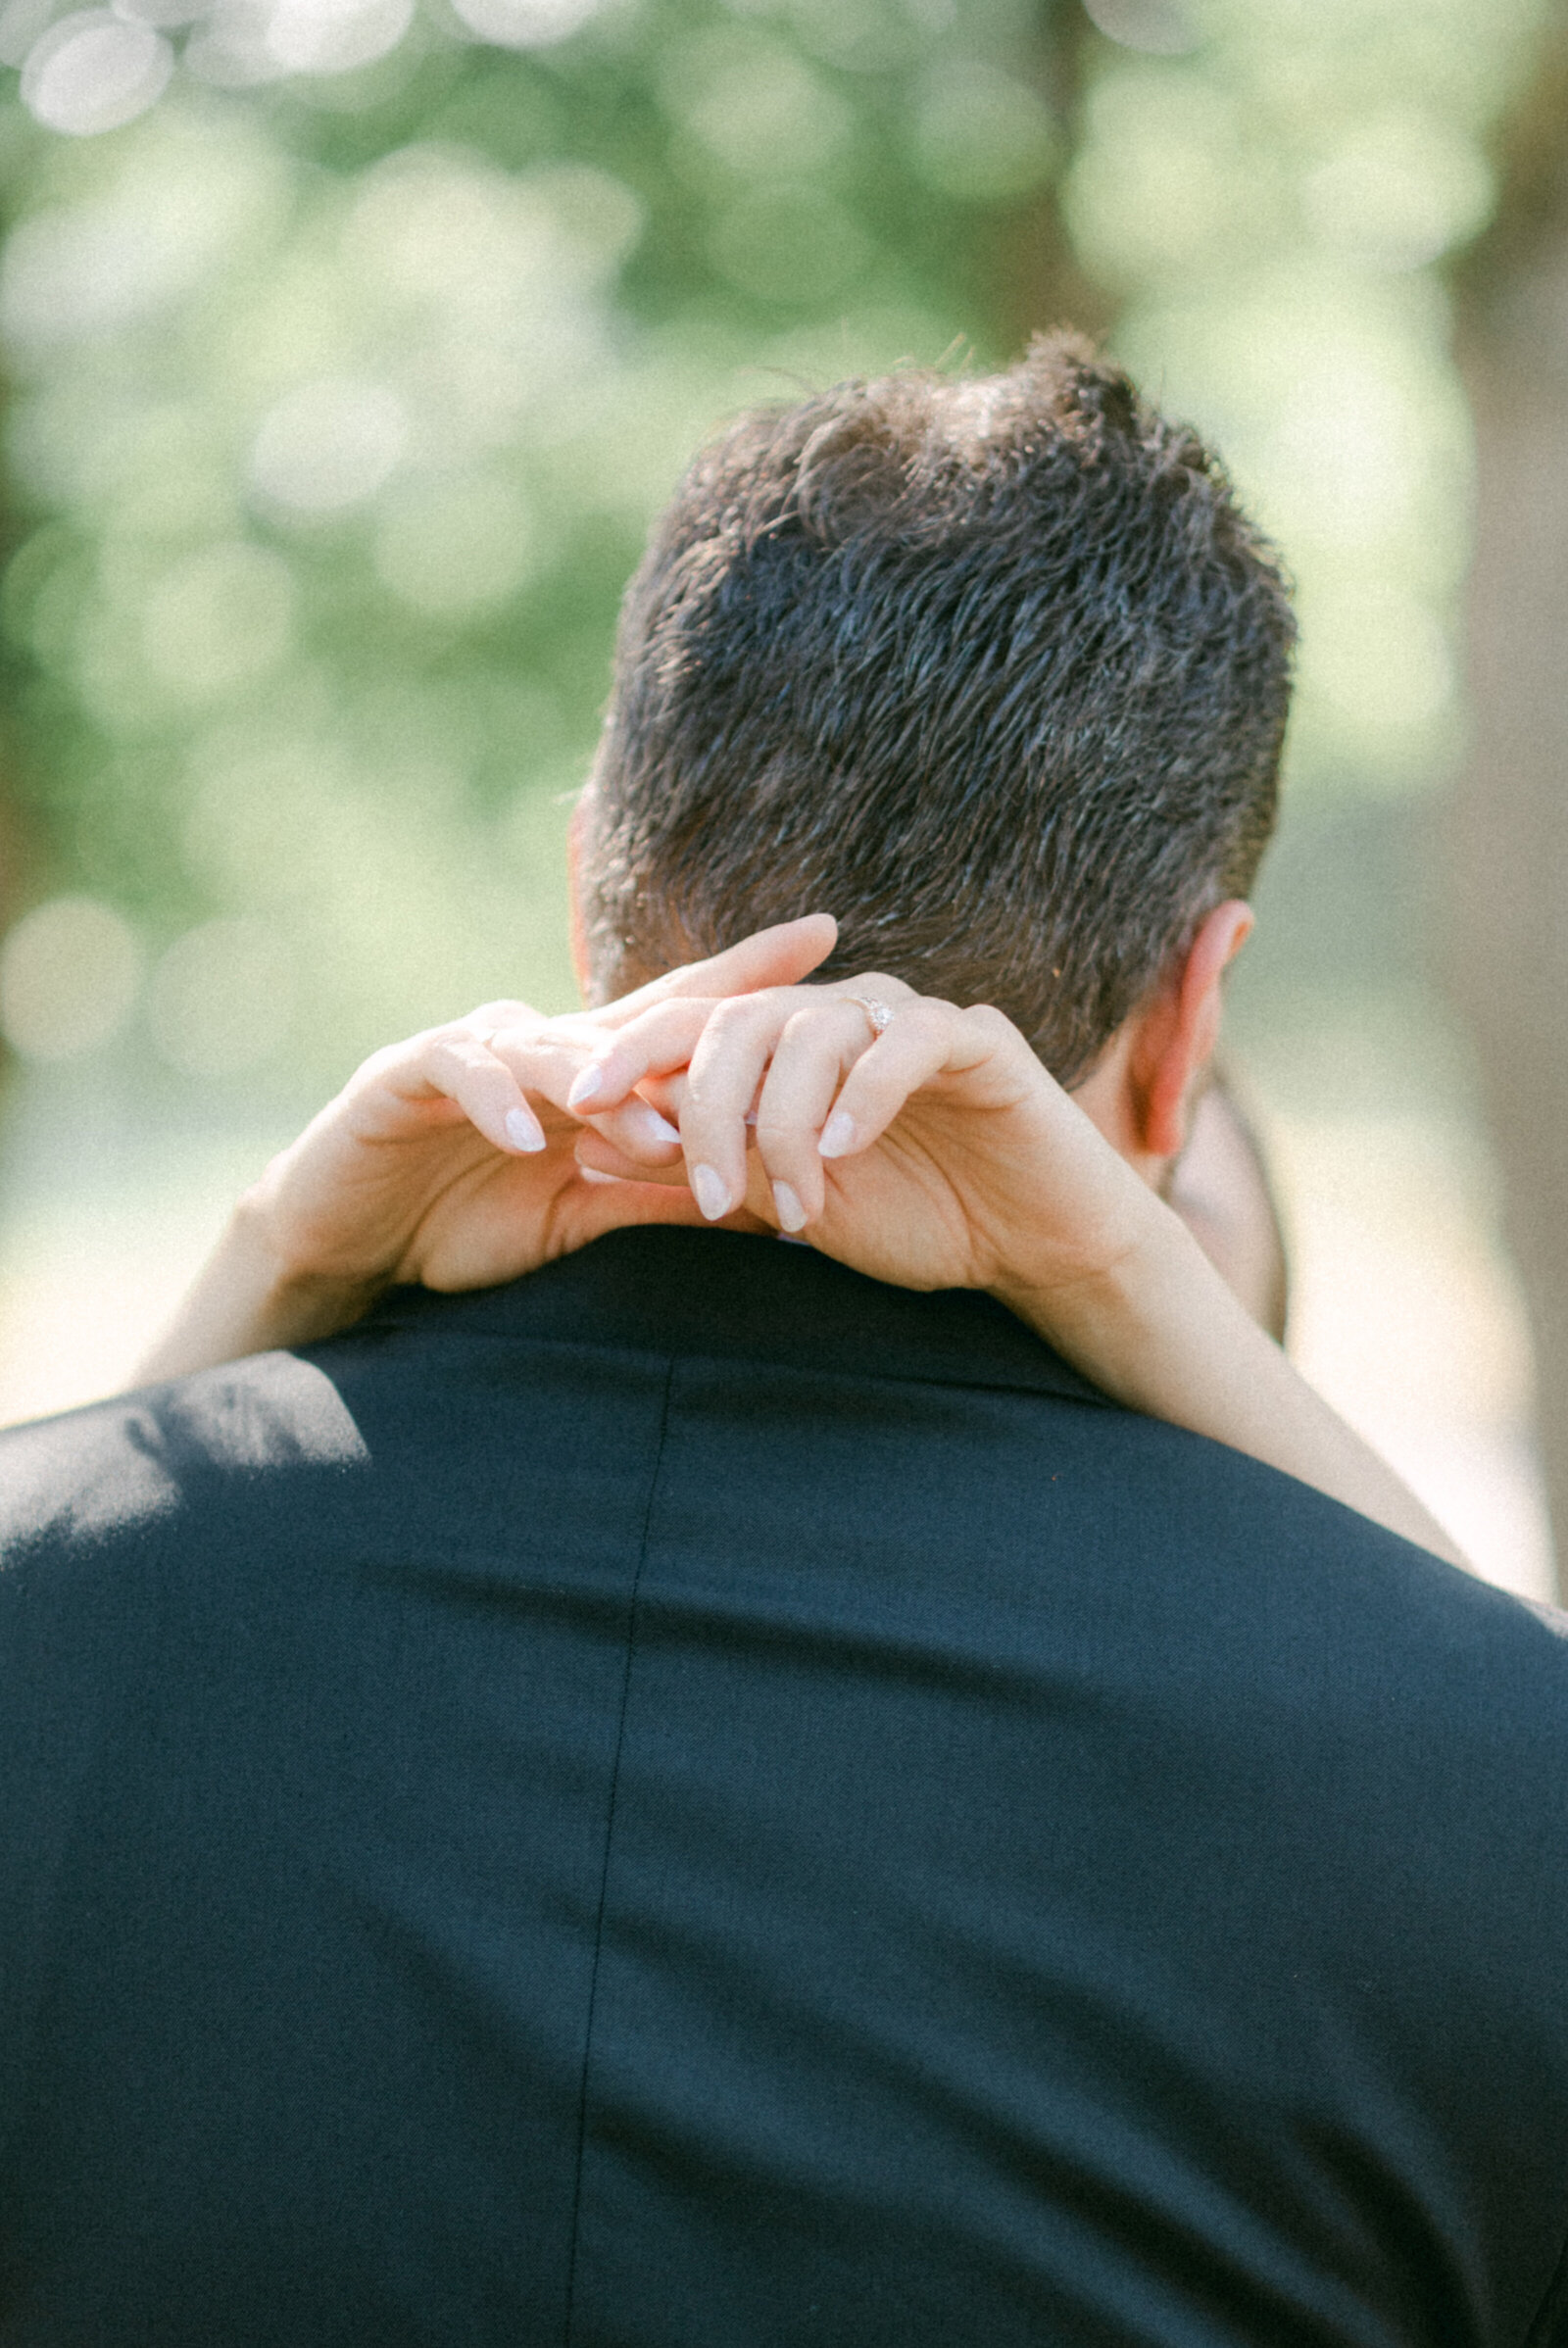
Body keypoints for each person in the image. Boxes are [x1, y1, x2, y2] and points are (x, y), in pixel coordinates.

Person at [3, 338, 1567, 2346]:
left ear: (590, 890)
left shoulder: (53, 1621)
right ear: (1192, 1020)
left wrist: (266, 1274)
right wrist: (1137, 1278)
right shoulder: (1475, 1789)